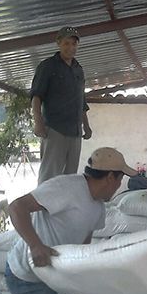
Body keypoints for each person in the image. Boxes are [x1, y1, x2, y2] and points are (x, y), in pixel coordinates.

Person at [5, 147, 137, 294]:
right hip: (28, 277)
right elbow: (17, 207)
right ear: (110, 177)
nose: (120, 185)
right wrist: (35, 245)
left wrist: (86, 277)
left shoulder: (97, 207)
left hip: (58, 274)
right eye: (120, 179)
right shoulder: (65, 187)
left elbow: (82, 245)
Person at [31, 26, 93, 183]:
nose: (71, 48)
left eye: (74, 44)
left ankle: (64, 208)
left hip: (75, 130)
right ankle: (45, 208)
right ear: (58, 43)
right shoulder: (47, 66)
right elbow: (36, 96)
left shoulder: (79, 69)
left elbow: (81, 100)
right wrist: (38, 123)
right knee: (50, 175)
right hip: (55, 128)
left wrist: (86, 125)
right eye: (67, 43)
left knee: (70, 177)